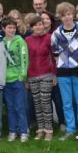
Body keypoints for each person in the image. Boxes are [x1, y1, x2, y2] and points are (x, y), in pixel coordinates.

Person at [51, 2, 78, 142]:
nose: (67, 17)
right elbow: (55, 51)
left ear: (72, 15)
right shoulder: (56, 33)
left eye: (69, 14)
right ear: (60, 17)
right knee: (66, 103)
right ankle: (70, 129)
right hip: (62, 72)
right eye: (63, 15)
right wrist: (63, 61)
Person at [25, 13, 56, 141]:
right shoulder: (27, 40)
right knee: (37, 103)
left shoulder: (49, 38)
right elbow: (26, 59)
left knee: (45, 101)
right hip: (32, 75)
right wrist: (26, 78)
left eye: (40, 24)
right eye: (35, 25)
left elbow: (54, 58)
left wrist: (54, 74)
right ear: (31, 27)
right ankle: (40, 129)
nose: (38, 27)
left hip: (46, 74)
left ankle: (49, 129)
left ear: (43, 26)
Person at [1, 17, 29, 142]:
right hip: (6, 80)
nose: (12, 30)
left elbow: (24, 58)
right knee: (10, 107)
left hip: (17, 79)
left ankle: (23, 131)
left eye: (13, 27)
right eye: (9, 28)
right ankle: (12, 131)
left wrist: (22, 76)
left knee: (20, 106)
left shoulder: (20, 41)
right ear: (3, 29)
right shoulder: (1, 41)